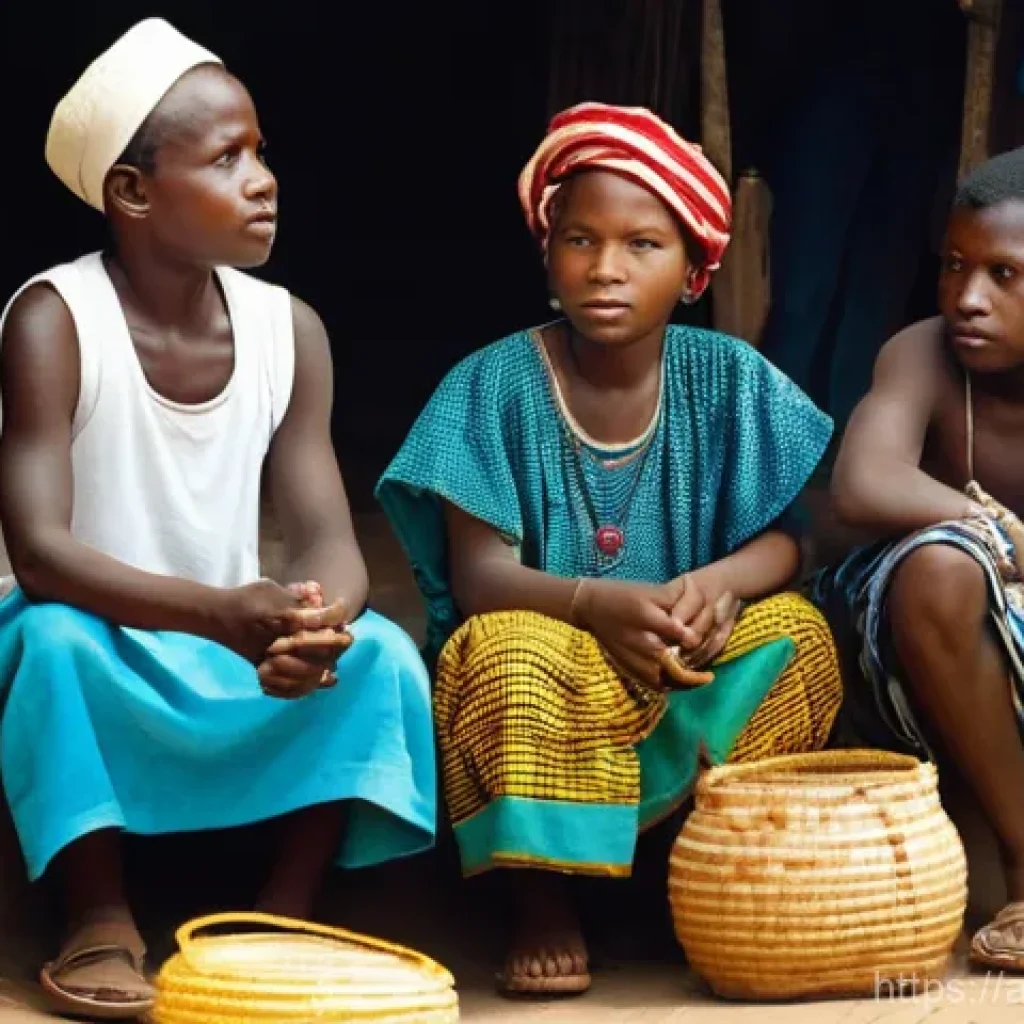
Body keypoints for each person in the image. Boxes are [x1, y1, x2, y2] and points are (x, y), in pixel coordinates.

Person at [0, 19, 435, 1019]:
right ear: (133, 192)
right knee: (48, 641)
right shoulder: (53, 321)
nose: (263, 179)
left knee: (380, 656)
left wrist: (313, 616)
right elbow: (42, 551)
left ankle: (277, 913)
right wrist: (217, 616)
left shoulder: (291, 330)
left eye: (262, 153)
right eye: (227, 156)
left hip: (232, 641)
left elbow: (327, 528)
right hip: (112, 639)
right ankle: (98, 913)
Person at [377, 102, 842, 998]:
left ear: (695, 269)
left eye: (643, 245)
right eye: (580, 241)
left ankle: (700, 870)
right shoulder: (491, 384)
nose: (607, 270)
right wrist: (599, 606)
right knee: (498, 654)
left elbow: (796, 537)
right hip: (555, 654)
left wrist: (713, 587)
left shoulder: (730, 379)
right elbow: (479, 580)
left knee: (800, 636)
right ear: (547, 255)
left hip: (682, 660)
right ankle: (542, 900)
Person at [812, 146, 1024, 974]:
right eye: (955, 267)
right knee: (942, 565)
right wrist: (1002, 533)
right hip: (924, 644)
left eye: (1004, 275)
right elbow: (862, 485)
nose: (968, 298)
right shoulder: (922, 353)